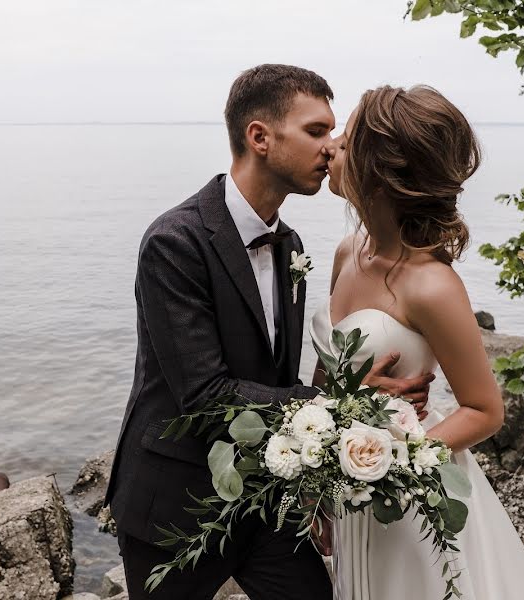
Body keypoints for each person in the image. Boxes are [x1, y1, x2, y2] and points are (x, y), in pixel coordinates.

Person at [103, 64, 435, 599]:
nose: (330, 148)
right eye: (315, 131)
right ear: (259, 137)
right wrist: (349, 409)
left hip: (269, 499)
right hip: (174, 502)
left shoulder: (294, 245)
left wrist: (319, 480)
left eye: (331, 132)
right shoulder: (174, 243)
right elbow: (206, 395)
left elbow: (278, 371)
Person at [313, 84, 524, 599]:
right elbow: (334, 378)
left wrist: (388, 460)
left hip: (412, 500)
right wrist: (325, 480)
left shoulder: (432, 284)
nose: (330, 144)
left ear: (381, 169)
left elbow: (485, 411)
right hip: (353, 488)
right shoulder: (346, 252)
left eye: (347, 138)